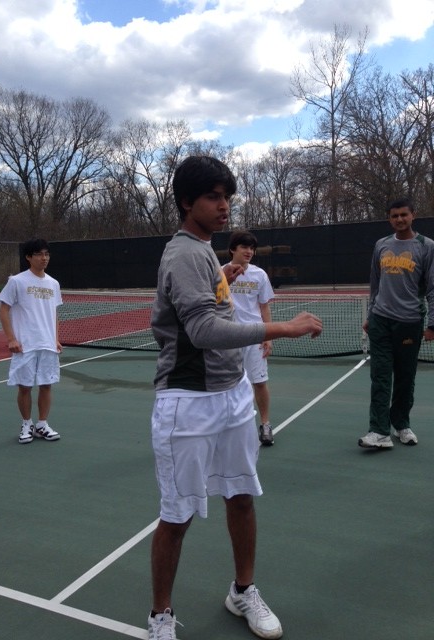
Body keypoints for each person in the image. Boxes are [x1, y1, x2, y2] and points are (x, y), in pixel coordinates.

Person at [148, 155, 322, 640]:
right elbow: (202, 329)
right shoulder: (183, 254)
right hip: (188, 402)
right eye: (213, 197)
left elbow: (206, 303)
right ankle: (160, 615)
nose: (224, 206)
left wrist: (222, 271)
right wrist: (282, 327)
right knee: (177, 515)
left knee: (241, 499)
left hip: (233, 396)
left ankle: (243, 591)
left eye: (227, 197)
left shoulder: (204, 253)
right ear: (186, 202)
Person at [358, 197, 434, 449]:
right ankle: (379, 431)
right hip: (381, 320)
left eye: (404, 214)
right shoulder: (381, 245)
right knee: (380, 376)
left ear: (413, 215)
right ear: (389, 219)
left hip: (410, 322)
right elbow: (375, 284)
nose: (399, 219)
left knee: (405, 377)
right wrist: (370, 314)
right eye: (394, 216)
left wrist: (432, 324)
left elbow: (433, 288)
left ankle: (401, 424)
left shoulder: (426, 246)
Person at [0, 238, 63, 444]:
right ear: (28, 257)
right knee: (24, 387)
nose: (44, 258)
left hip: (47, 344)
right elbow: (3, 310)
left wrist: (56, 339)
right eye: (39, 254)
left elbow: (54, 313)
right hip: (25, 345)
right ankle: (26, 424)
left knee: (46, 385)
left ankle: (42, 425)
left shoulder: (53, 283)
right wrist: (11, 339)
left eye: (47, 254)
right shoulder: (17, 281)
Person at [225, 230, 276, 446]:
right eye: (244, 247)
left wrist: (268, 335)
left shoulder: (260, 275)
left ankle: (265, 424)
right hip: (228, 337)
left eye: (252, 248)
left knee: (259, 382)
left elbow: (264, 307)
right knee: (228, 384)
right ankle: (231, 424)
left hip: (255, 335)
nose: (249, 251)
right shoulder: (220, 273)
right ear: (233, 250)